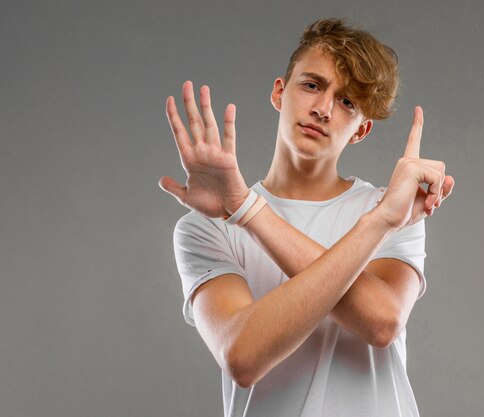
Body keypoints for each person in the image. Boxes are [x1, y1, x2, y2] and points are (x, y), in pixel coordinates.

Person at [159, 18, 454, 417]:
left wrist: (381, 218)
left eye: (347, 102)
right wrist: (244, 209)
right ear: (280, 92)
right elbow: (242, 357)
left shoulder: (393, 211)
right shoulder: (204, 226)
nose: (323, 109)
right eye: (312, 85)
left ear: (360, 130)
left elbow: (382, 322)